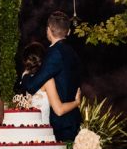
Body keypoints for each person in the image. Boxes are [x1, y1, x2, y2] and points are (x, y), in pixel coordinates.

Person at [19, 11, 82, 142]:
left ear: (48, 29)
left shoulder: (54, 54)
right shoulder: (73, 52)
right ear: (68, 31)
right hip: (73, 121)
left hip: (60, 125)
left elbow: (31, 86)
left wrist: (25, 75)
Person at [20, 41, 81, 125]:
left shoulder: (25, 76)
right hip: (42, 128)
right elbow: (59, 110)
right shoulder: (47, 80)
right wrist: (77, 102)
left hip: (27, 126)